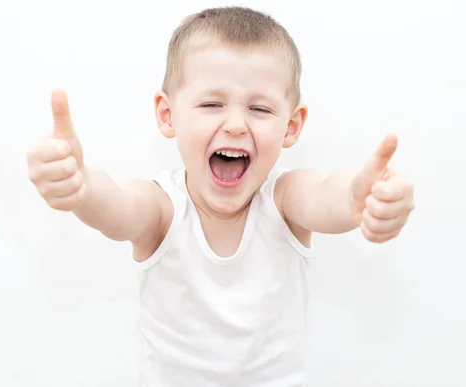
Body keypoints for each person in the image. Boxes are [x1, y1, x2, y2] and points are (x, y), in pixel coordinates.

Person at [26, 6, 415, 387]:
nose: (234, 124)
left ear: (291, 126)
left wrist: (356, 199)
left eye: (260, 108)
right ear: (167, 115)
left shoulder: (285, 200)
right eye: (212, 104)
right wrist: (79, 187)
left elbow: (325, 197)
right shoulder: (162, 208)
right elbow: (117, 208)